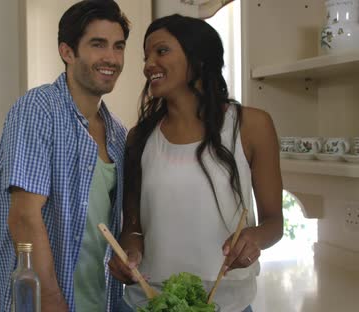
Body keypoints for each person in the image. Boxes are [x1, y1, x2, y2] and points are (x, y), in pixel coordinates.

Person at [109, 14, 284, 312]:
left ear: (198, 58)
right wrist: (130, 255)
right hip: (149, 301)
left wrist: (253, 238)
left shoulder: (252, 126)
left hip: (229, 302)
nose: (148, 64)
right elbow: (134, 224)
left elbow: (274, 223)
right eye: (146, 56)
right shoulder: (139, 138)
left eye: (161, 51)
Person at [0, 1, 131, 311]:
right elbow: (24, 217)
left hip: (100, 301)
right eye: (98, 45)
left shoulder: (118, 133)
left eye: (118, 46)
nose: (111, 57)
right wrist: (52, 301)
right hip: (49, 304)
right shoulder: (38, 109)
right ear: (67, 52)